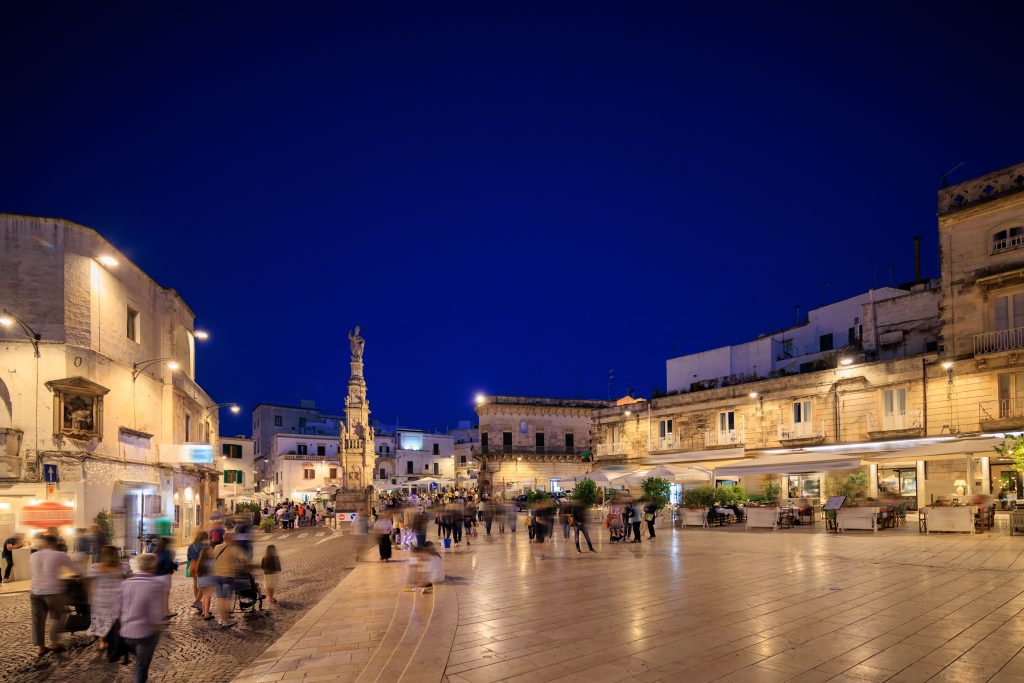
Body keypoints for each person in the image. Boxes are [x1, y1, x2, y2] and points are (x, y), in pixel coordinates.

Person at [119, 553, 167, 683]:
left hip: (126, 633)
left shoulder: (125, 584)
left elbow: (116, 609)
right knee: (141, 667)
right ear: (154, 567)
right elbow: (156, 615)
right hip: (145, 634)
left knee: (140, 661)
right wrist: (158, 628)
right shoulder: (156, 585)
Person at [29, 534, 77, 656]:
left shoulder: (33, 555)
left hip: (35, 591)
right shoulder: (59, 555)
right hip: (52, 591)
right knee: (60, 615)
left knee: (37, 619)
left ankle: (41, 647)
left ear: (44, 543)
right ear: (54, 544)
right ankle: (54, 642)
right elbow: (76, 570)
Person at [86, 545, 126, 650]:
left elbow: (91, 583)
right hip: (118, 597)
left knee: (101, 619)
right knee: (117, 619)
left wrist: (90, 596)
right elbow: (128, 580)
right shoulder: (123, 566)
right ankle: (117, 638)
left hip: (101, 598)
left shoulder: (95, 567)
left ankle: (102, 641)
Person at [153, 536, 178, 618]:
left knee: (158, 595)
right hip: (165, 575)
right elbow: (168, 564)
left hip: (155, 575)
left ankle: (157, 611)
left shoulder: (156, 551)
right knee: (165, 594)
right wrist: (174, 565)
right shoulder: (167, 552)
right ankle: (166, 611)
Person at [195, 547, 217, 620]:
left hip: (201, 581)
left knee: (205, 596)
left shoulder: (201, 561)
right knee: (207, 596)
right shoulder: (210, 562)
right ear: (207, 553)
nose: (213, 552)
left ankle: (204, 612)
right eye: (211, 551)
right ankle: (206, 614)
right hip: (208, 581)